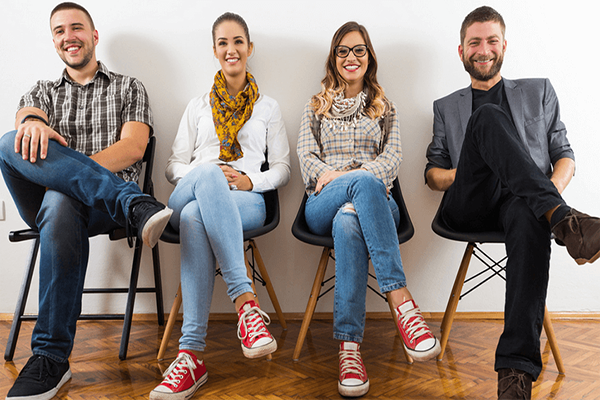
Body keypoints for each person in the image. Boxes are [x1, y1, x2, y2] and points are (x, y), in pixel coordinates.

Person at [425, 6, 600, 399]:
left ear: (504, 46)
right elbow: (433, 174)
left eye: (491, 41)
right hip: (469, 203)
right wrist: (477, 165)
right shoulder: (446, 106)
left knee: (527, 213)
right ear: (461, 51)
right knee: (486, 116)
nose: (483, 49)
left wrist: (541, 195)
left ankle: (515, 374)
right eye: (474, 42)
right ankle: (568, 223)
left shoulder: (539, 91)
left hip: (521, 205)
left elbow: (565, 155)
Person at [0, 2, 173, 400]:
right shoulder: (42, 91)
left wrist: (71, 180)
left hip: (96, 209)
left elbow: (132, 148)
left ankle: (50, 360)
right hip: (58, 200)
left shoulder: (129, 87)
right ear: (54, 42)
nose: (68, 36)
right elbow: (26, 121)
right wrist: (30, 122)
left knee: (62, 201)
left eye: (76, 27)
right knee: (10, 143)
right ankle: (135, 203)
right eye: (59, 31)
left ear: (94, 36)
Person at [149, 12, 290, 400]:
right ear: (214, 51)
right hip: (194, 188)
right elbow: (173, 165)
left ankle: (191, 357)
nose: (231, 49)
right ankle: (246, 304)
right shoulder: (197, 106)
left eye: (238, 42)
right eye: (223, 43)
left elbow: (282, 168)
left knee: (195, 217)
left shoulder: (268, 107)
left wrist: (250, 180)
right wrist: (205, 173)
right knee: (208, 176)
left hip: (246, 201)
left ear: (249, 48)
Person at [297, 21, 441, 398]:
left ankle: (349, 350)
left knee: (350, 221)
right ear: (333, 58)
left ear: (369, 57)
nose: (351, 57)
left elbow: (392, 159)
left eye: (359, 49)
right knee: (356, 190)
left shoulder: (384, 106)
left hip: (378, 204)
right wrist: (342, 178)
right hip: (321, 202)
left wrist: (357, 180)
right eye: (343, 50)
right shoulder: (316, 106)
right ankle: (401, 301)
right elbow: (306, 158)